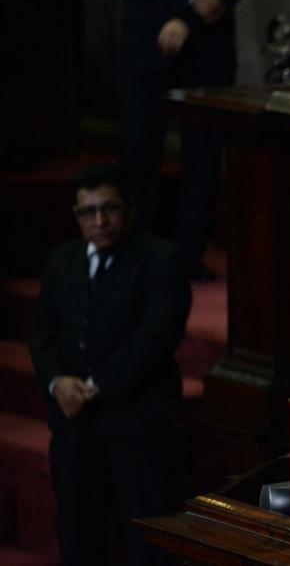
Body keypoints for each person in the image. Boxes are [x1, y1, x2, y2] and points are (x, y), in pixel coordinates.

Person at [29, 164, 192, 566]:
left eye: (109, 209)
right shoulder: (61, 260)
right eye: (88, 212)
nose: (99, 221)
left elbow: (155, 338)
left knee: (146, 547)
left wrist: (93, 386)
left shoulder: (161, 260)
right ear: (76, 215)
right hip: (73, 428)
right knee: (78, 536)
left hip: (137, 428)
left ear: (130, 209)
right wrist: (56, 383)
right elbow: (41, 333)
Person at [111, 0, 251, 278]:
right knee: (139, 153)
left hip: (208, 49)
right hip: (145, 44)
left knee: (203, 161)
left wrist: (188, 20)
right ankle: (138, 255)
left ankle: (187, 258)